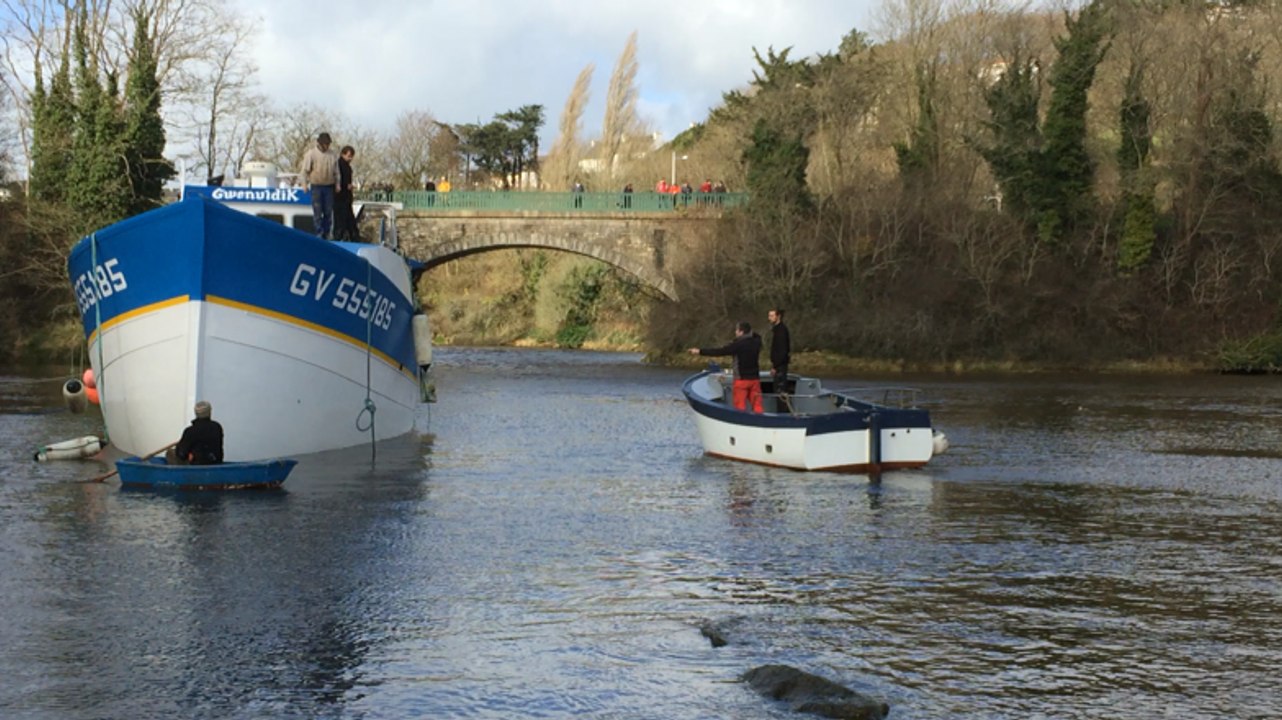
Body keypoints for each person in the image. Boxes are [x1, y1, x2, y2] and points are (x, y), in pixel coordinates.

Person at [688, 321, 764, 413]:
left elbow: (719, 351)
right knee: (757, 405)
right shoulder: (756, 342)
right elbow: (757, 336)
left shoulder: (737, 345)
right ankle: (760, 421)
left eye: (737, 330)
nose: (735, 332)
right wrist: (749, 332)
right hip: (755, 379)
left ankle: (740, 423)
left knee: (740, 407)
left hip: (741, 379)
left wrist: (700, 351)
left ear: (741, 332)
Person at [300, 132, 340, 238]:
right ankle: (319, 232)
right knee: (317, 211)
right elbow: (304, 171)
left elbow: (337, 172)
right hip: (316, 185)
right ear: (320, 143)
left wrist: (337, 184)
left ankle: (326, 232)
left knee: (328, 211)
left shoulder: (333, 155)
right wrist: (304, 184)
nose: (326, 146)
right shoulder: (311, 154)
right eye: (325, 144)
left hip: (329, 185)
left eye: (328, 144)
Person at [167, 400, 224, 465]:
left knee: (170, 452)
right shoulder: (217, 427)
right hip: (215, 462)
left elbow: (181, 454)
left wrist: (179, 446)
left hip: (197, 464)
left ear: (196, 413)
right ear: (210, 412)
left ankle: (179, 473)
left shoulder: (190, 431)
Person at [334, 145, 359, 240]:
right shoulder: (339, 165)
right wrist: (346, 185)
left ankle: (351, 236)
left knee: (349, 221)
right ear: (343, 154)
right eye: (349, 156)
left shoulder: (347, 166)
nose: (350, 158)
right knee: (342, 221)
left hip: (346, 198)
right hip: (340, 198)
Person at [768, 308, 791, 394]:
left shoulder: (781, 331)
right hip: (779, 365)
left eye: (772, 316)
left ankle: (781, 407)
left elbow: (782, 350)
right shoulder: (777, 330)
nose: (769, 318)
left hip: (780, 366)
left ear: (778, 316)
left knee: (780, 390)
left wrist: (775, 366)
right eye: (769, 316)